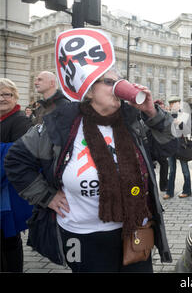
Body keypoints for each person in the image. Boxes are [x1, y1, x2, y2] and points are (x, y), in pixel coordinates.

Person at [4, 69, 177, 272]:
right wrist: (46, 196)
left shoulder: (134, 121)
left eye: (121, 82)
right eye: (109, 82)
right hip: (81, 235)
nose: (117, 87)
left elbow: (172, 146)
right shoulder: (61, 123)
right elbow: (15, 160)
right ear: (89, 91)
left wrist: (152, 112)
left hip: (135, 230)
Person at [0, 78, 33, 272]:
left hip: (9, 192)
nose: (2, 98)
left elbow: (17, 155)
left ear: (15, 97)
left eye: (7, 94)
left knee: (9, 239)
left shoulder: (20, 120)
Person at [163, 96, 192, 199]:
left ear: (179, 104)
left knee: (185, 170)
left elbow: (188, 131)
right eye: (171, 103)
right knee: (172, 171)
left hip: (182, 145)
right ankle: (169, 192)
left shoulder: (185, 115)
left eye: (175, 103)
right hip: (171, 145)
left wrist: (180, 123)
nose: (173, 105)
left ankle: (187, 191)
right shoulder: (167, 115)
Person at [153, 99, 169, 192]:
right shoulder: (155, 116)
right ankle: (162, 185)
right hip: (154, 145)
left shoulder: (162, 115)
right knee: (163, 164)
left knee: (164, 164)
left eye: (163, 105)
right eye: (161, 106)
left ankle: (163, 184)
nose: (162, 107)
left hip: (159, 145)